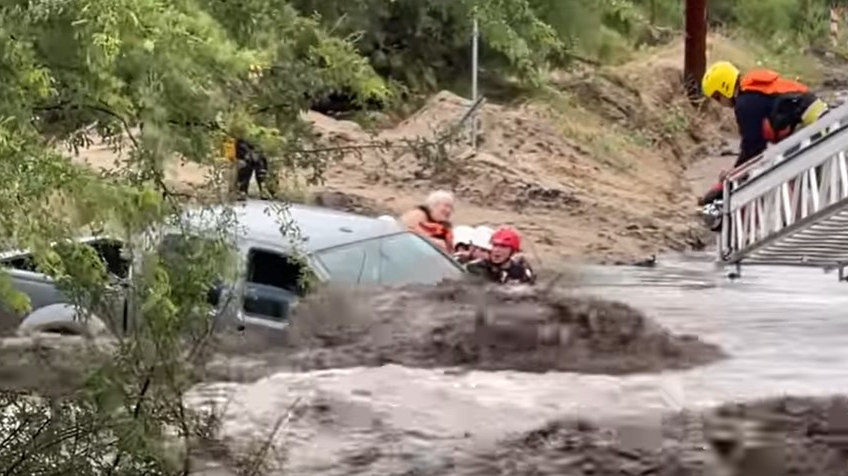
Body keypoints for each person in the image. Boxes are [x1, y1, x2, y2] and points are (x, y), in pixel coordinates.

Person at [701, 61, 829, 170]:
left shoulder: (745, 104)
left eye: (717, 97)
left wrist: (733, 175)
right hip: (820, 117)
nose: (720, 103)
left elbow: (752, 148)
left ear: (724, 88)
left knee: (788, 168)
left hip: (813, 124)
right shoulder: (752, 92)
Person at [466, 226, 535, 285]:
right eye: (495, 245)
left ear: (513, 251)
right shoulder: (476, 267)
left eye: (503, 246)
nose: (497, 250)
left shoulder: (521, 272)